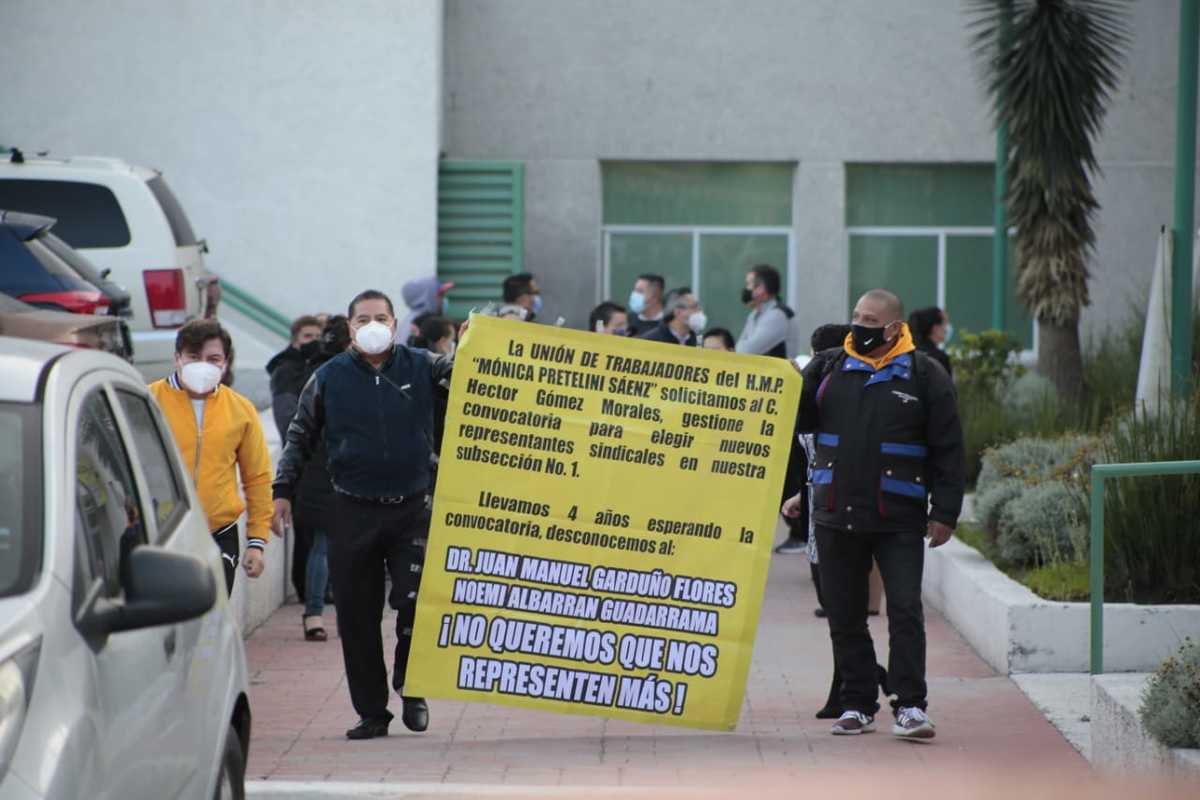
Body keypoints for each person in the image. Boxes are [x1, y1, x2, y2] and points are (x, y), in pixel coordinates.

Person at [272, 289, 452, 740]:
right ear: (350, 327)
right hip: (351, 510)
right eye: (363, 318)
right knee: (357, 617)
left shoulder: (423, 366)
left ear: (395, 324)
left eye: (381, 317)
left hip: (413, 508)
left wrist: (476, 343)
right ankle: (372, 712)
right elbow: (299, 434)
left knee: (416, 603)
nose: (372, 325)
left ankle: (413, 685)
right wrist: (282, 491)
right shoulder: (328, 377)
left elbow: (471, 373)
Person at [792, 289, 964, 739]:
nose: (858, 325)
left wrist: (945, 511)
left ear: (892, 328)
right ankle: (857, 703)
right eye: (855, 316)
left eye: (869, 319)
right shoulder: (828, 366)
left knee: (905, 611)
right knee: (844, 614)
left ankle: (910, 706)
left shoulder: (924, 373)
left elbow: (949, 448)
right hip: (834, 512)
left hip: (898, 516)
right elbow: (798, 422)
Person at [784, 323, 887, 720]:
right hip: (816, 509)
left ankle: (856, 684)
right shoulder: (814, 395)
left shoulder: (848, 398)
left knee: (843, 609)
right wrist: (798, 494)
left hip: (839, 514)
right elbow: (807, 456)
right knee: (835, 606)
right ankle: (863, 677)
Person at [149, 320, 273, 596]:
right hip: (159, 535)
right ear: (177, 358)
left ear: (225, 363)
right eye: (194, 357)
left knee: (212, 628)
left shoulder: (241, 410)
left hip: (219, 534)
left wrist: (257, 541)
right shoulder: (147, 401)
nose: (203, 365)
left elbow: (258, 477)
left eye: (213, 358)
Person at [266, 314, 347, 641]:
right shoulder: (331, 374)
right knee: (327, 547)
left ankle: (317, 614)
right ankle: (318, 611)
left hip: (320, 469)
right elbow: (296, 427)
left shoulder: (311, 371)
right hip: (326, 470)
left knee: (323, 547)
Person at [736, 264, 801, 358]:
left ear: (761, 288)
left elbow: (747, 350)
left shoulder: (778, 315)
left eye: (748, 284)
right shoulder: (754, 314)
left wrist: (739, 348)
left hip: (778, 372)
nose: (746, 289)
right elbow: (739, 349)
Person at [638, 287, 706, 346]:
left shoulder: (699, 343)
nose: (699, 311)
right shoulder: (649, 342)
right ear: (678, 312)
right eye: (694, 307)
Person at [399, 277, 454, 343]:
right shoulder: (426, 325)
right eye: (441, 295)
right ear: (429, 298)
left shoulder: (409, 321)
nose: (443, 300)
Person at [908, 306, 954, 378]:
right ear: (935, 328)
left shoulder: (908, 353)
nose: (947, 328)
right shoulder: (940, 358)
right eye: (945, 323)